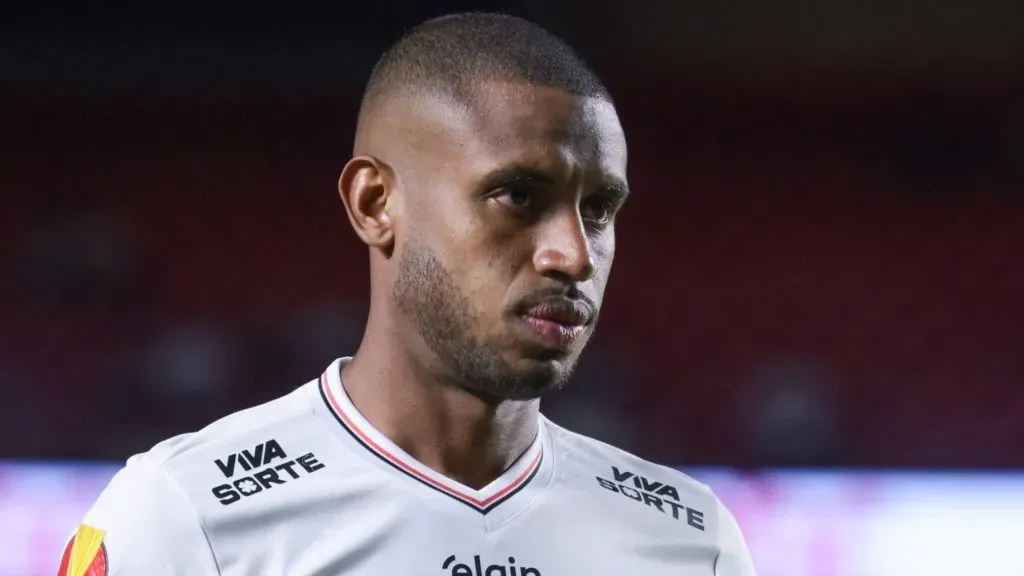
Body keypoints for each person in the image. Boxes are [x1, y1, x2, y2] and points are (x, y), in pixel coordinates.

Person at [59, 12, 755, 576]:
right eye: (518, 195)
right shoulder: (185, 517)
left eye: (599, 208)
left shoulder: (691, 542)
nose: (573, 253)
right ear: (375, 203)